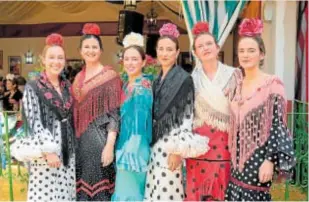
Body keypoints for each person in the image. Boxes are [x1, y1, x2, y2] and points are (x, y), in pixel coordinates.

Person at [225, 18, 296, 201]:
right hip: (235, 161)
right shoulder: (236, 83)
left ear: (261, 54)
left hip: (259, 159)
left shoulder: (272, 85)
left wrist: (270, 161)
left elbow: (278, 126)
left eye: (251, 50)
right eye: (241, 51)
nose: (245, 55)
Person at [144, 23, 209, 201]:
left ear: (177, 52)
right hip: (156, 144)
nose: (165, 53)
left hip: (171, 146)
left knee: (168, 192)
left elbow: (187, 117)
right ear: (156, 51)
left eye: (169, 49)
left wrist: (177, 150)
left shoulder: (183, 79)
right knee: (155, 190)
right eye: (161, 49)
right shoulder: (157, 80)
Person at [11, 33, 76, 201]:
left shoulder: (67, 86)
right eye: (52, 57)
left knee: (65, 195)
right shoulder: (34, 87)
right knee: (45, 195)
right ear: (43, 60)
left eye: (60, 57)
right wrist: (49, 150)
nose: (56, 61)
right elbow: (34, 121)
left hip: (67, 151)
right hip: (46, 151)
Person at [185, 22, 242, 201]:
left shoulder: (235, 75)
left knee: (222, 190)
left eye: (209, 44)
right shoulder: (190, 80)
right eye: (200, 46)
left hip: (225, 142)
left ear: (218, 48)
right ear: (195, 53)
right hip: (200, 144)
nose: (205, 48)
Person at [72, 23, 121, 201]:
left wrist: (109, 146)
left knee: (99, 192)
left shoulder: (110, 76)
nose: (90, 50)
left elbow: (115, 114)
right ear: (80, 51)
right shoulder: (78, 77)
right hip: (80, 144)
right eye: (86, 47)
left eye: (94, 47)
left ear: (100, 50)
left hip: (100, 142)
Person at [112, 32, 153, 201]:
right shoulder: (128, 84)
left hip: (134, 146)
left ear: (143, 61)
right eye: (127, 59)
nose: (130, 63)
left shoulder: (142, 86)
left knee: (130, 193)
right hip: (126, 143)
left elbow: (140, 120)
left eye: (135, 59)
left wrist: (132, 147)